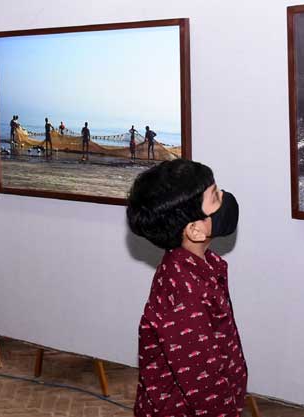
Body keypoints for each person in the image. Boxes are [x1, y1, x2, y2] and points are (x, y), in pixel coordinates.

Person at [126, 159, 246, 417]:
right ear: (195, 230)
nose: (225, 197)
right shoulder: (183, 295)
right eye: (216, 197)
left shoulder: (202, 266)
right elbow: (204, 385)